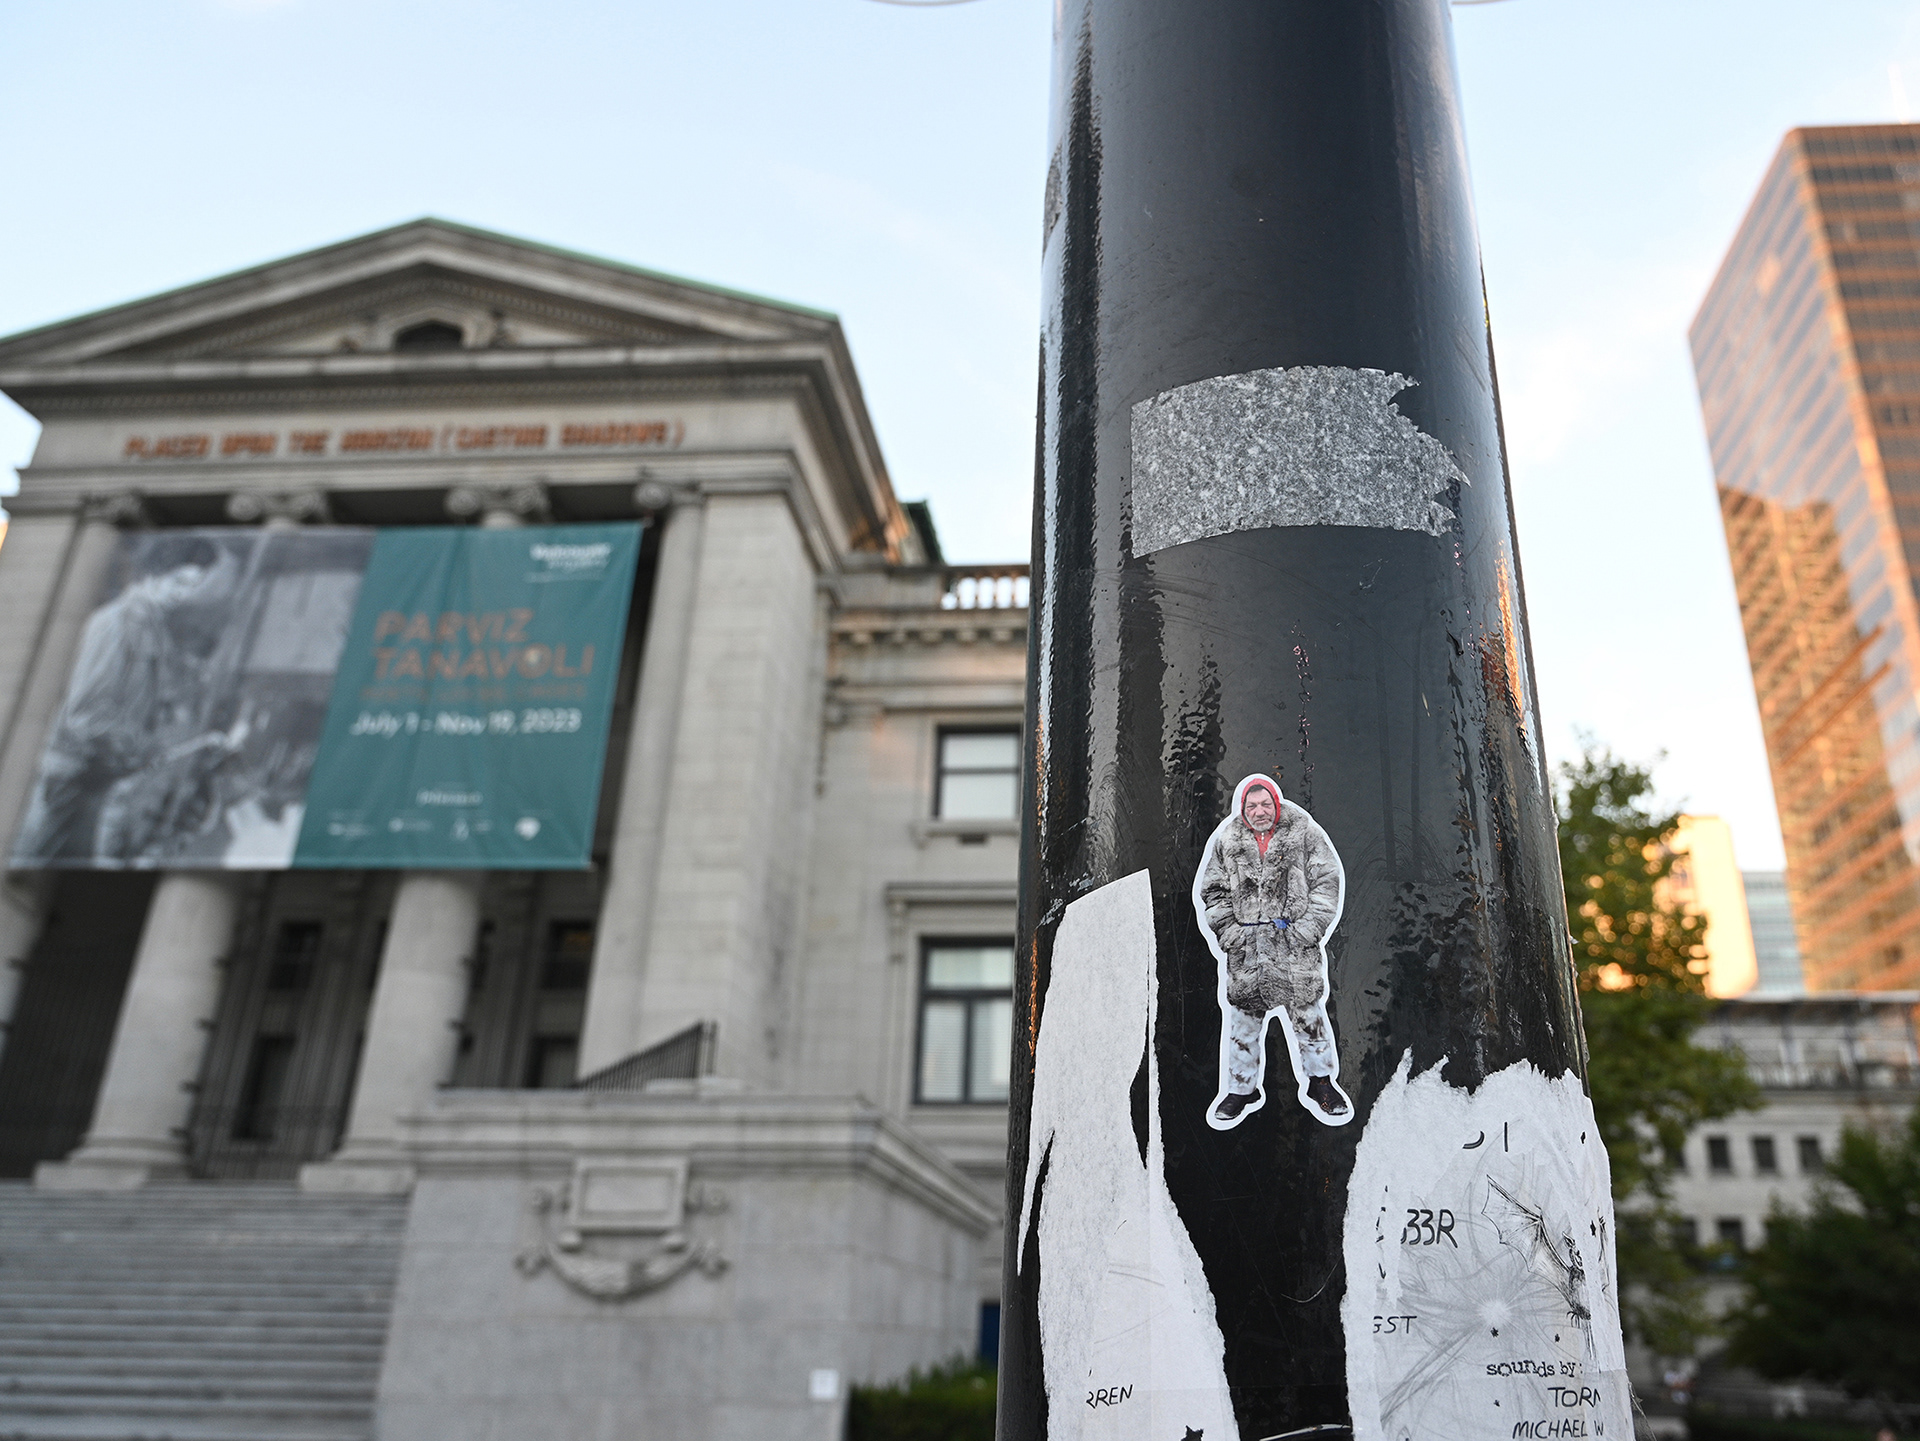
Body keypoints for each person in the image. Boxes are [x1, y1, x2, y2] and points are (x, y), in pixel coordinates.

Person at [11, 538, 228, 864]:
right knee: (31, 864)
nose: (183, 594)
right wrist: (145, 749)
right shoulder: (113, 623)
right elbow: (86, 714)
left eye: (193, 586)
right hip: (71, 778)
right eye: (179, 581)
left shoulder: (154, 629)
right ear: (153, 573)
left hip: (101, 780)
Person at [1193, 773, 1352, 1128]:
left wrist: (1307, 929)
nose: (1260, 811)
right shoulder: (1228, 840)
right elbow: (1213, 891)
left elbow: (1327, 880)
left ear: (1276, 805)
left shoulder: (1303, 832)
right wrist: (1230, 933)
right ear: (1243, 808)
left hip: (1294, 949)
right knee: (1244, 1025)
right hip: (1247, 952)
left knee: (1308, 1019)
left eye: (1266, 804)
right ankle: (1241, 1090)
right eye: (1252, 805)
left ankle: (1321, 1084)